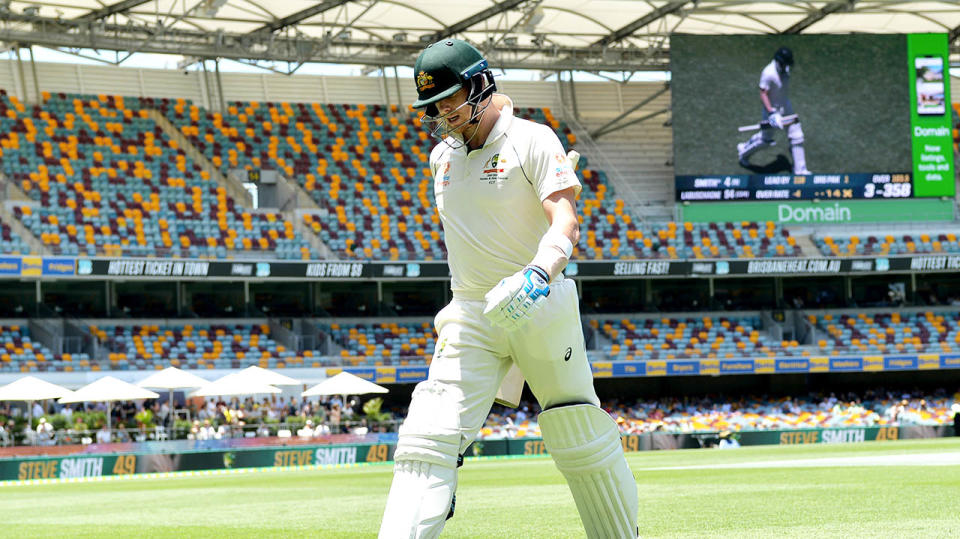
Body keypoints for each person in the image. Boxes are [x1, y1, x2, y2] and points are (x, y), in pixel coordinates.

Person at [378, 38, 637, 538]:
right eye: (433, 106)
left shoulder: (533, 140)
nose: (441, 113)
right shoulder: (441, 159)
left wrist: (538, 273)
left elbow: (566, 220)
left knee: (578, 431)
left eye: (448, 99)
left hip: (538, 302)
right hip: (472, 311)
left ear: (479, 84)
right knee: (424, 440)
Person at [737, 46, 811, 175]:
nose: (786, 66)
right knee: (765, 140)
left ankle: (800, 170)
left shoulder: (786, 68)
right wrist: (772, 113)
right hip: (772, 110)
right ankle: (743, 153)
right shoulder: (768, 73)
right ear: (779, 61)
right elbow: (763, 93)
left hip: (786, 106)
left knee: (797, 136)